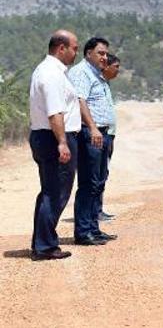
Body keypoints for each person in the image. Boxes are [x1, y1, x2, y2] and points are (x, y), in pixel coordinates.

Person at [28, 30, 81, 261]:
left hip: (49, 137)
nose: (75, 52)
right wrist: (62, 142)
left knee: (51, 192)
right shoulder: (51, 73)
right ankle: (45, 246)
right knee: (56, 192)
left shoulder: (51, 71)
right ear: (61, 48)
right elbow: (55, 112)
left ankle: (42, 242)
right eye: (74, 48)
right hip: (53, 138)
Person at [68, 37, 117, 245]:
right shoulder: (81, 72)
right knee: (88, 183)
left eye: (106, 53)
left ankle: (93, 229)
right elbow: (80, 100)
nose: (104, 57)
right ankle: (83, 232)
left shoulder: (96, 74)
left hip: (101, 133)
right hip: (91, 133)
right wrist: (94, 128)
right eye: (100, 53)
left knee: (97, 183)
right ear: (88, 53)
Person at [97, 53, 120, 221]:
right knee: (97, 174)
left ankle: (98, 208)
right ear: (106, 66)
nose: (118, 70)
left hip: (109, 135)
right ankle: (95, 211)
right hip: (101, 135)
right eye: (116, 66)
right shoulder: (98, 83)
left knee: (103, 173)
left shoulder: (105, 84)